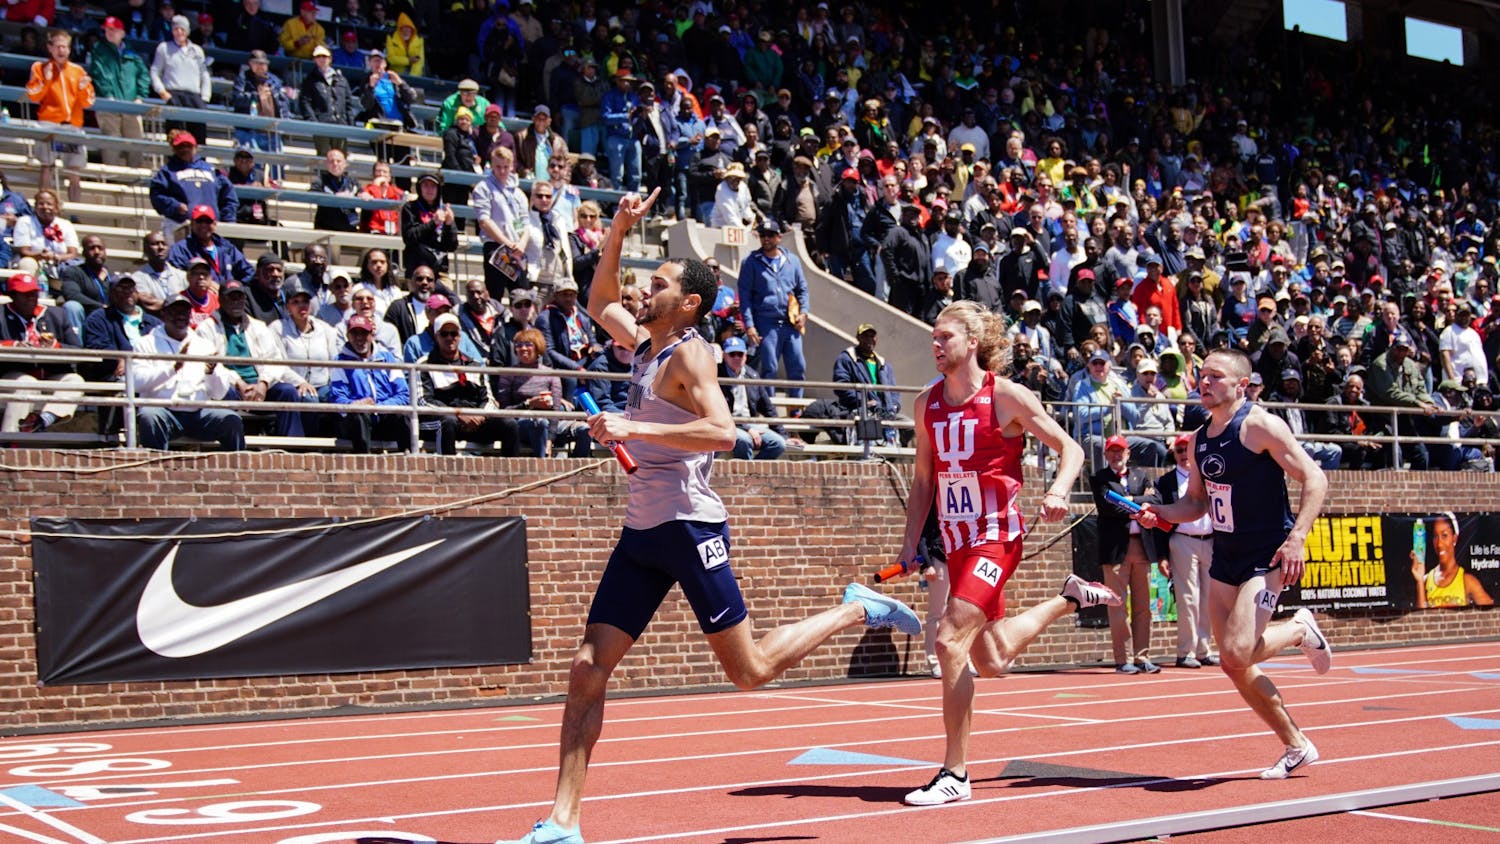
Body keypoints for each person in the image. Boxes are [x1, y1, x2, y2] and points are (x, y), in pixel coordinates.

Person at [502, 189, 922, 844]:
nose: (646, 288)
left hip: (691, 529)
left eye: (661, 282)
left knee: (748, 671)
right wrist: (615, 231)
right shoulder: (645, 345)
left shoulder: (692, 355)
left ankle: (856, 608)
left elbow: (725, 433)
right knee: (588, 667)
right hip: (643, 533)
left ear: (690, 303)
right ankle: (563, 821)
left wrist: (629, 422)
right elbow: (598, 302)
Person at [889, 299, 1119, 806]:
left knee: (948, 640)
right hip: (955, 540)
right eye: (933, 336)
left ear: (973, 343)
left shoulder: (1007, 397)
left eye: (944, 336)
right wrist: (910, 544)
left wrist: (1058, 490)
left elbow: (1072, 449)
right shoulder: (925, 404)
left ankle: (955, 774)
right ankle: (1069, 599)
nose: (935, 345)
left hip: (996, 534)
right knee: (988, 660)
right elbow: (924, 478)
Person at [1136, 347, 1332, 780]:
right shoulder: (1200, 437)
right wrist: (1160, 513)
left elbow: (1315, 477)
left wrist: (1297, 537)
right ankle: (1296, 744)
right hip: (1225, 555)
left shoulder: (1259, 425)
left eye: (1216, 377)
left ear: (1241, 385)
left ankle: (1300, 628)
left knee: (1237, 650)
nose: (1204, 383)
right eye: (1202, 376)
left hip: (1265, 555)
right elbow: (1195, 503)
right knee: (1232, 663)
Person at [130, 293, 245, 451]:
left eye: (184, 312)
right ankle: (155, 471)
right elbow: (136, 383)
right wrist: (172, 369)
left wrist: (211, 373)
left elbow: (219, 393)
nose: (180, 317)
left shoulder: (204, 345)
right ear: (163, 315)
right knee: (149, 416)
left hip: (199, 412)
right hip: (164, 411)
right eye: (174, 312)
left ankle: (236, 471)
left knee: (231, 420)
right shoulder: (146, 343)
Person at [1090, 434, 1162, 674]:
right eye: (1111, 451)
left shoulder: (1141, 476)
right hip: (1116, 550)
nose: (1115, 455)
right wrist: (1137, 507)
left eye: (1120, 450)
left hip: (1141, 545)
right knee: (1118, 605)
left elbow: (1155, 499)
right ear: (1105, 454)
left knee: (1143, 606)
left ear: (1128, 453)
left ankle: (1143, 656)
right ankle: (1124, 658)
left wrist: (1131, 501)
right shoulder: (1099, 478)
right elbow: (1108, 506)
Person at [1150, 433, 1218, 669]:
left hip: (1210, 540)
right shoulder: (1166, 481)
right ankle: (1185, 651)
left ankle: (1204, 649)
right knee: (1188, 598)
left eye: (1186, 450)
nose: (1183, 456)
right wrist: (1161, 555)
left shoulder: (1209, 476)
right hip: (1182, 540)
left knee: (1210, 598)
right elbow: (1159, 518)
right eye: (1178, 451)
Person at [417, 313, 516, 455]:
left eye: (454, 333)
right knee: (447, 422)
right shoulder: (424, 364)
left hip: (475, 420)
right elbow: (422, 401)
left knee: (509, 424)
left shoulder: (473, 365)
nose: (450, 338)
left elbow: (488, 400)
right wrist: (457, 414)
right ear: (436, 336)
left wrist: (480, 415)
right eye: (444, 334)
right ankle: (447, 474)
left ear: (460, 335)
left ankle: (511, 474)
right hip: (440, 422)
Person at [0, 273, 84, 434]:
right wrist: (12, 345)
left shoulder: (56, 314)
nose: (31, 298)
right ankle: (11, 439)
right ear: (12, 296)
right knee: (26, 383)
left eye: (34, 293)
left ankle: (42, 420)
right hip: (10, 376)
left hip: (48, 375)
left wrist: (56, 345)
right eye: (25, 294)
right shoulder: (1, 314)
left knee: (75, 380)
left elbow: (78, 349)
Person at [737, 219, 809, 397]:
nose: (766, 239)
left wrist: (804, 313)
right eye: (762, 235)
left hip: (791, 323)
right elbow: (744, 296)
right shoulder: (751, 262)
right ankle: (770, 410)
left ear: (779, 237)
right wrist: (750, 325)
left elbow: (803, 290)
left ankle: (796, 410)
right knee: (769, 367)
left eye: (770, 235)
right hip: (766, 322)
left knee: (798, 366)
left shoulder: (792, 260)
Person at [26, 29, 94, 203]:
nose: (62, 51)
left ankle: (74, 210)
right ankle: (43, 205)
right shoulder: (39, 67)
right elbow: (33, 95)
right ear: (50, 48)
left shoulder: (78, 71)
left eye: (65, 47)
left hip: (72, 126)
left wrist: (83, 88)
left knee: (74, 171)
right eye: (58, 47)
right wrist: (47, 79)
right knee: (46, 166)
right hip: (49, 124)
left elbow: (88, 102)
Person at [329, 312, 410, 453]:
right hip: (357, 421)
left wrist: (378, 407)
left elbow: (403, 394)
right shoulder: (340, 361)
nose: (360, 338)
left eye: (364, 333)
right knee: (358, 415)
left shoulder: (387, 358)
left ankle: (411, 463)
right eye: (355, 333)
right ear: (348, 336)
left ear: (372, 334)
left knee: (402, 415)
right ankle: (364, 467)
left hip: (383, 415)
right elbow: (337, 398)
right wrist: (355, 405)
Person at [89, 16, 150, 169]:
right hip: (109, 104)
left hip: (131, 104)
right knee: (111, 141)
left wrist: (140, 96)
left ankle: (135, 177)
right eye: (107, 29)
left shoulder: (131, 52)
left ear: (122, 32)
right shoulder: (99, 49)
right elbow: (98, 73)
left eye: (113, 29)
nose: (109, 32)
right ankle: (112, 176)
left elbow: (143, 74)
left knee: (136, 140)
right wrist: (108, 94)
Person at [472, 146, 531, 299]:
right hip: (496, 248)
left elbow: (525, 223)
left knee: (522, 296)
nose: (502, 171)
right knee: (494, 296)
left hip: (517, 250)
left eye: (506, 167)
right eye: (498, 167)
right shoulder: (483, 188)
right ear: (492, 165)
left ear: (512, 166)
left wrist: (521, 244)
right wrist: (507, 243)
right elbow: (484, 221)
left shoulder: (519, 193)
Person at [149, 131, 239, 228]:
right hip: (180, 225)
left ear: (195, 147)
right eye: (180, 147)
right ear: (173, 149)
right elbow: (156, 195)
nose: (184, 149)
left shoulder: (211, 170)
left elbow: (229, 197)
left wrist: (227, 220)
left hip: (210, 226)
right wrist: (175, 206)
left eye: (188, 146)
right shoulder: (167, 171)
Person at [719, 335, 785, 459]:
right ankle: (746, 476)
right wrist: (747, 429)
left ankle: (753, 473)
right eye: (732, 354)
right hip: (726, 424)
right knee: (744, 440)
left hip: (749, 424)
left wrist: (784, 436)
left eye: (740, 354)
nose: (737, 358)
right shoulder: (716, 375)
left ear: (746, 355)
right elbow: (718, 412)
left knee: (779, 443)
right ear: (724, 355)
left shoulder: (752, 375)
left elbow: (768, 408)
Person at [1411, 512, 1494, 608]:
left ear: (1454, 538)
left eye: (1444, 535)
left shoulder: (1468, 581)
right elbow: (1422, 618)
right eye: (1435, 536)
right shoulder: (1425, 580)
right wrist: (1420, 581)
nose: (1439, 544)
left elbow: (1492, 613)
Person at [150, 15, 211, 146]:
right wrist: (163, 92)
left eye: (182, 29)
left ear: (187, 31)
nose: (179, 32)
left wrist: (205, 98)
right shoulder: (163, 48)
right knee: (176, 136)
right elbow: (155, 71)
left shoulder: (197, 50)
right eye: (176, 29)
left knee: (198, 137)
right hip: (174, 95)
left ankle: (199, 164)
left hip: (194, 97)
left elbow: (204, 75)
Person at [166, 205, 253, 284]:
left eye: (208, 221)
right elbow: (176, 276)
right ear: (192, 224)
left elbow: (248, 272)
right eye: (199, 221)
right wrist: (208, 285)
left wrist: (236, 287)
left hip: (226, 298)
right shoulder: (181, 249)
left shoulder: (226, 247)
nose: (204, 225)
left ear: (214, 224)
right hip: (197, 298)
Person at [300, 44, 357, 155]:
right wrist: (313, 122)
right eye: (318, 57)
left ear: (330, 59)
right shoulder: (310, 80)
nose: (321, 59)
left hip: (340, 124)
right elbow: (305, 101)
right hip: (321, 124)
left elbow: (348, 103)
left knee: (341, 157)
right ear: (314, 60)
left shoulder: (341, 79)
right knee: (323, 156)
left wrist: (350, 123)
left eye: (324, 56)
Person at [400, 172, 458, 276]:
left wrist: (449, 225)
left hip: (440, 270)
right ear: (419, 188)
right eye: (425, 185)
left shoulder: (444, 210)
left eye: (433, 186)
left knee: (448, 292)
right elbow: (409, 236)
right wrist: (433, 223)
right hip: (416, 269)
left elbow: (451, 246)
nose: (429, 189)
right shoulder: (410, 208)